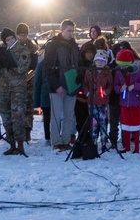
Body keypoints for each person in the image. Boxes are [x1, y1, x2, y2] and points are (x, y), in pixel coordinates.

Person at [40, 19, 81, 151]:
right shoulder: (53, 45)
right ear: (62, 30)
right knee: (56, 116)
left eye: (72, 31)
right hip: (56, 86)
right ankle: (56, 141)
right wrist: (56, 85)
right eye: (68, 31)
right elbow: (48, 68)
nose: (71, 34)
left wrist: (77, 81)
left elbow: (79, 65)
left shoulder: (74, 46)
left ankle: (66, 140)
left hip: (71, 85)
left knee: (69, 116)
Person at [0, 28, 33, 155]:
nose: (10, 41)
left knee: (18, 116)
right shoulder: (0, 51)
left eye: (12, 38)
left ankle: (20, 144)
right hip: (3, 88)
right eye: (7, 40)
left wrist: (8, 60)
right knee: (6, 117)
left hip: (17, 89)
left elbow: (22, 68)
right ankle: (11, 143)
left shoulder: (23, 50)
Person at [114, 50, 140, 153]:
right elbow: (115, 85)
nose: (122, 68)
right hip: (124, 103)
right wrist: (120, 89)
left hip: (136, 102)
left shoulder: (138, 71)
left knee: (136, 125)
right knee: (125, 125)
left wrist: (135, 86)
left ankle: (136, 147)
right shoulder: (118, 72)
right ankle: (127, 146)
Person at [84, 49, 114, 150]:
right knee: (93, 123)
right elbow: (85, 84)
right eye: (98, 61)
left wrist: (106, 92)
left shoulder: (107, 72)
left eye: (102, 61)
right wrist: (88, 93)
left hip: (103, 101)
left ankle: (104, 142)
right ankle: (93, 141)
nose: (100, 63)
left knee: (103, 122)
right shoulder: (89, 72)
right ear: (95, 61)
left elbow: (110, 84)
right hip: (92, 102)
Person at [16, 23, 40, 142]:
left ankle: (27, 131)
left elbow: (35, 65)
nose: (22, 37)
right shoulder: (14, 46)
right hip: (16, 81)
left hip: (29, 81)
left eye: (24, 35)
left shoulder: (32, 47)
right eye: (20, 35)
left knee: (28, 107)